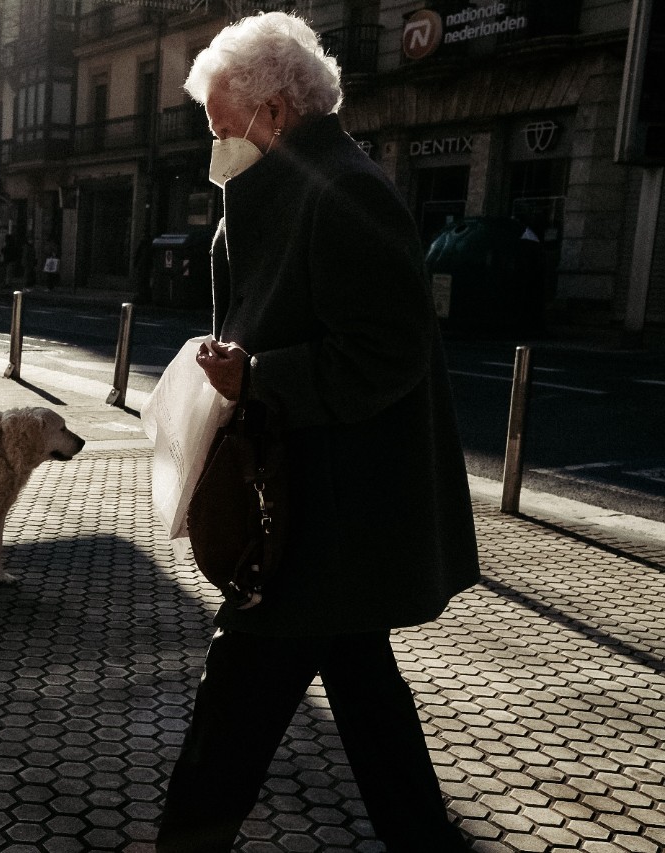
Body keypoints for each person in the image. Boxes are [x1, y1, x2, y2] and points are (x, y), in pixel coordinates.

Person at [156, 13, 480, 853]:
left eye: (225, 123)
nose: (217, 140)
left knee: (236, 697)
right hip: (313, 500)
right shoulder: (286, 183)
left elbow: (388, 350)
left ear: (276, 110)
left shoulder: (344, 189)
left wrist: (260, 375)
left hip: (324, 511)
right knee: (370, 704)